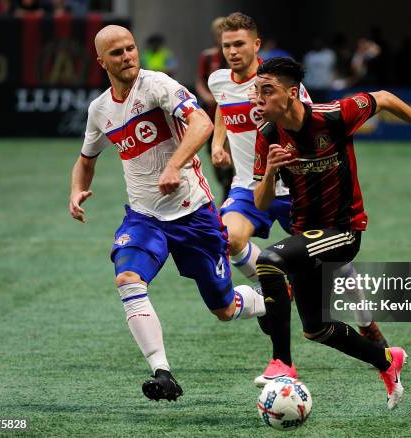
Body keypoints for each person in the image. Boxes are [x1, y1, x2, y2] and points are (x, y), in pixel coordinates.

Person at [69, 25, 266, 402]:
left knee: (224, 309)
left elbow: (203, 123)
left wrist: (175, 165)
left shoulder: (157, 85)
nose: (127, 56)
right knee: (127, 278)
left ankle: (274, 296)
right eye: (117, 53)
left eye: (130, 48)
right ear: (102, 62)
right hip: (144, 218)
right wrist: (76, 190)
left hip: (194, 215)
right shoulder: (100, 110)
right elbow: (85, 160)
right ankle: (162, 373)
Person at [252, 57, 411, 409]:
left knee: (269, 261)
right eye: (256, 91)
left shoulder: (333, 115)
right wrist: (271, 171)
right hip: (307, 234)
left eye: (267, 90)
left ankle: (282, 363)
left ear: (291, 94)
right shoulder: (268, 136)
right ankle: (387, 360)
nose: (258, 98)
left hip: (343, 230)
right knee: (316, 329)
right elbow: (261, 202)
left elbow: (385, 98)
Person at [208, 13, 387, 387]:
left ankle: (366, 322)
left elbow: (309, 127)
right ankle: (271, 293)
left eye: (239, 44)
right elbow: (223, 109)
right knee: (228, 239)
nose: (232, 52)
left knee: (334, 269)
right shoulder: (218, 80)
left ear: (256, 45)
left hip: (299, 189)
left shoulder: (283, 86)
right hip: (251, 184)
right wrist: (217, 143)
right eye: (227, 46)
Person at [195, 16, 234, 202]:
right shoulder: (208, 56)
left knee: (232, 155)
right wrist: (208, 97)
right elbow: (200, 82)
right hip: (211, 116)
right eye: (217, 33)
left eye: (223, 33)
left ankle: (230, 194)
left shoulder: (236, 55)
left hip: (233, 117)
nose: (220, 37)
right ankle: (225, 185)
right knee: (214, 154)